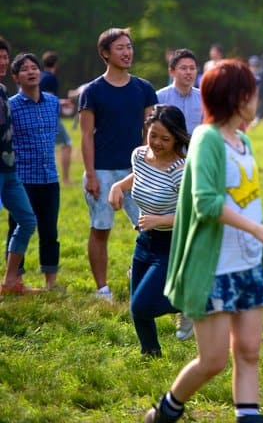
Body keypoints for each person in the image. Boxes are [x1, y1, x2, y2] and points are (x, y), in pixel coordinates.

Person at [146, 59, 263, 423]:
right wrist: (258, 231)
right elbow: (207, 202)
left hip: (247, 263)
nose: (257, 99)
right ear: (237, 97)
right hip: (213, 267)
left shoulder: (242, 140)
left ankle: (248, 416)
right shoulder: (206, 138)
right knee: (212, 361)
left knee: (249, 352)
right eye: (252, 92)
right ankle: (167, 411)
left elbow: (246, 199)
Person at [79, 27, 158, 300]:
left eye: (129, 47)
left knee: (150, 226)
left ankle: (138, 272)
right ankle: (102, 289)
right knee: (100, 229)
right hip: (101, 170)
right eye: (120, 48)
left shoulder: (144, 88)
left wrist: (150, 167)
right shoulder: (92, 91)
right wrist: (90, 174)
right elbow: (86, 135)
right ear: (105, 53)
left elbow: (150, 134)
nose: (127, 52)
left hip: (137, 171)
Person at [108, 106, 189, 356]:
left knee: (143, 305)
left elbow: (195, 215)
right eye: (153, 135)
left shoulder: (181, 170)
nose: (157, 143)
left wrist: (159, 219)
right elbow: (139, 176)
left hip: (173, 244)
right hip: (145, 241)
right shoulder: (140, 155)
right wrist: (118, 186)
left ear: (177, 138)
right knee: (137, 306)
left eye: (165, 138)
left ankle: (193, 303)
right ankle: (151, 354)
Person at [0, 48, 42, 294]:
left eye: (5, 57)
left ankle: (9, 281)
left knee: (26, 220)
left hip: (9, 169)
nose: (3, 62)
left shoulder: (3, 91)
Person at [40, 51, 73, 185]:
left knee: (46, 148)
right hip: (50, 117)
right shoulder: (51, 78)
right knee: (67, 144)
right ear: (56, 64)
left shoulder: (40, 76)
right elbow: (48, 98)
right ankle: (65, 179)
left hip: (39, 116)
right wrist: (62, 102)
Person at [157, 49, 204, 134]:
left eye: (192, 68)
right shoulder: (160, 97)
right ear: (171, 71)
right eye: (183, 68)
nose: (188, 72)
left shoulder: (203, 98)